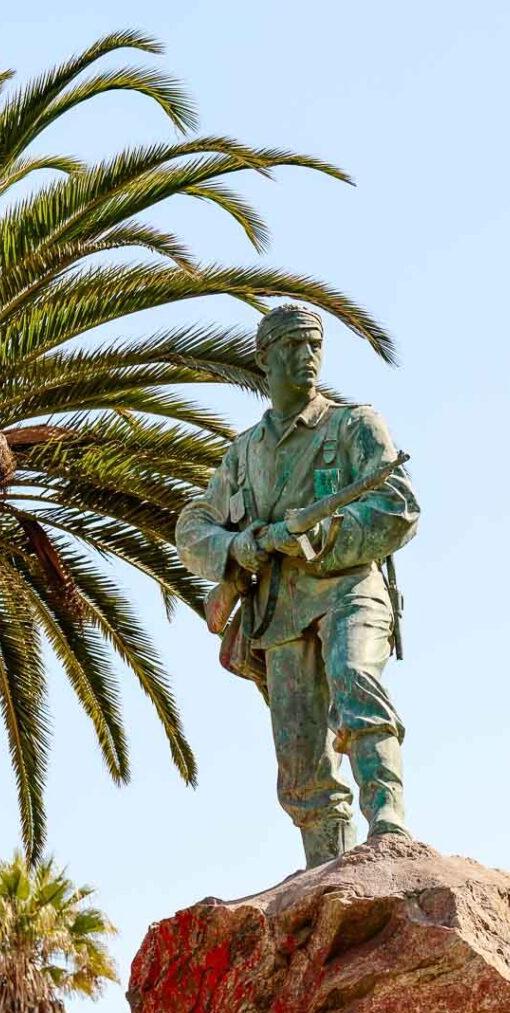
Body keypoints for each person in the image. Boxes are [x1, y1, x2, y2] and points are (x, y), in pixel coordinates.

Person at [175, 305, 420, 867]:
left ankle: (388, 822)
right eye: (291, 346)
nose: (306, 357)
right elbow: (193, 528)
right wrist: (241, 547)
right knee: (300, 754)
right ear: (264, 359)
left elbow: (399, 508)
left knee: (355, 678)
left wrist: (322, 536)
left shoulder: (354, 425)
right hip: (279, 611)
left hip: (348, 587)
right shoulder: (245, 453)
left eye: (314, 346)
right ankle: (326, 870)